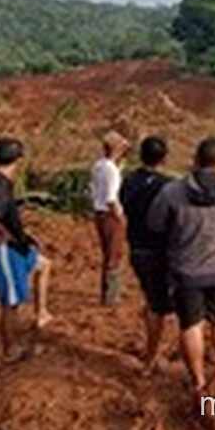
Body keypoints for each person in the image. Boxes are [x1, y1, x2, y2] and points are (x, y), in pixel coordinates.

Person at [147, 136, 215, 395]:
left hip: (185, 272)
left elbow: (155, 224)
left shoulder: (172, 192)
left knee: (191, 326)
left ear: (195, 159)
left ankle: (199, 381)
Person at [0, 137, 53, 360]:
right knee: (10, 303)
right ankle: (10, 350)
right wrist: (6, 235)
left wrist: (24, 237)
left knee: (43, 265)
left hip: (16, 245)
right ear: (18, 161)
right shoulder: (0, 186)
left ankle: (41, 313)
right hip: (6, 249)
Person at [119, 136, 175, 367]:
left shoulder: (128, 181)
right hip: (160, 252)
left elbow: (123, 207)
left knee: (152, 298)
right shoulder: (169, 186)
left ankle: (152, 348)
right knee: (159, 307)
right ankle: (151, 358)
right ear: (164, 158)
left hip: (137, 249)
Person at [90, 131, 129, 306]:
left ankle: (107, 292)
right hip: (110, 214)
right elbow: (111, 198)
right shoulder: (111, 170)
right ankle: (111, 296)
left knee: (108, 253)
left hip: (99, 213)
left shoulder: (99, 165)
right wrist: (120, 216)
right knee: (115, 254)